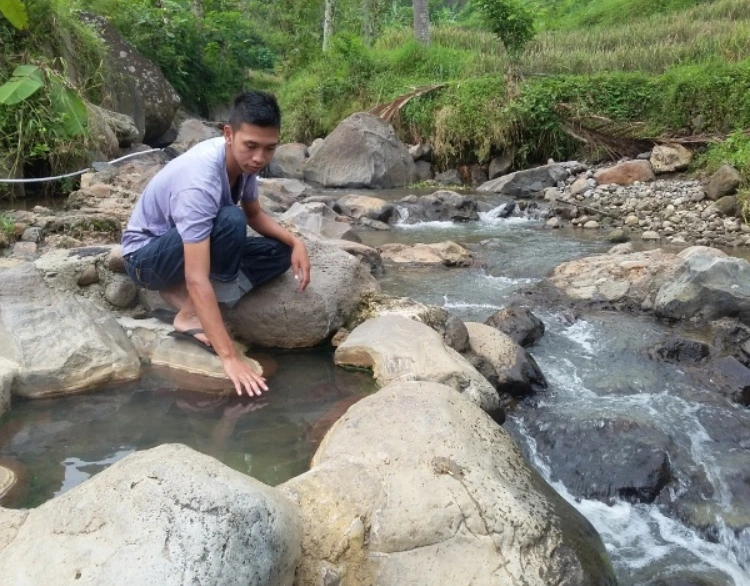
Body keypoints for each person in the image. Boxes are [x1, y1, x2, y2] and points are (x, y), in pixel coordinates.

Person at [121, 91, 310, 397]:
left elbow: (255, 214)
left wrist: (295, 241)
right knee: (228, 221)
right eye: (251, 146)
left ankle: (189, 297)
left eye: (269, 148)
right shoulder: (201, 180)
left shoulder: (244, 165)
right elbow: (198, 275)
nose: (260, 158)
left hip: (192, 246)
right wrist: (230, 358)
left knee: (280, 253)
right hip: (146, 258)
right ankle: (187, 315)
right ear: (228, 134)